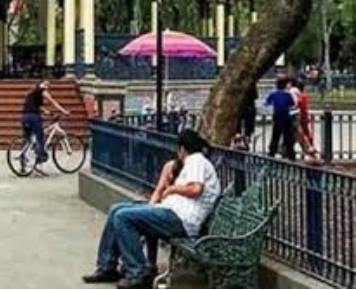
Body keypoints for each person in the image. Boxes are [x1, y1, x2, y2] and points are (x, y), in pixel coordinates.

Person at [83, 129, 221, 289]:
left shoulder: (196, 160)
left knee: (123, 217)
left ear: (182, 149)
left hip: (180, 219)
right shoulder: (194, 162)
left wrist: (172, 189)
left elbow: (196, 189)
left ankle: (138, 272)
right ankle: (107, 267)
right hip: (170, 212)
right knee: (116, 209)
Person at [20, 80, 70, 170]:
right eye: (46, 84)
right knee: (41, 137)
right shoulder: (42, 91)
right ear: (42, 85)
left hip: (24, 117)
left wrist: (48, 112)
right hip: (33, 117)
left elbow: (39, 106)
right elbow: (53, 102)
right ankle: (40, 157)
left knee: (29, 139)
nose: (47, 86)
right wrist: (64, 111)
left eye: (48, 85)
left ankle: (23, 160)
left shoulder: (32, 93)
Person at [265, 76, 297, 160]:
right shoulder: (287, 95)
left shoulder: (274, 94)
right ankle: (291, 154)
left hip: (277, 117)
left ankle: (272, 152)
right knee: (288, 136)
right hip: (286, 117)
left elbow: (267, 102)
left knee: (275, 135)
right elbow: (292, 104)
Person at [290, 78, 317, 160]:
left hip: (300, 118)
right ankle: (309, 150)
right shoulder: (303, 96)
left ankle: (308, 150)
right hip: (302, 118)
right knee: (301, 135)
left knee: (299, 135)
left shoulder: (299, 96)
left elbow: (296, 106)